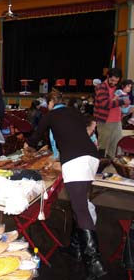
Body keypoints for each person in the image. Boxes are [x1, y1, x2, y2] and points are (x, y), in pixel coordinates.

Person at [25, 91, 106, 280]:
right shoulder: (75, 112)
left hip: (75, 161)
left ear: (52, 102)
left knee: (80, 209)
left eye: (49, 102)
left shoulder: (51, 115)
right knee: (80, 206)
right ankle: (76, 248)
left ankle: (95, 264)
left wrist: (27, 145)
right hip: (91, 158)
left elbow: (36, 136)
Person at [94, 68, 128, 158]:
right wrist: (122, 102)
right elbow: (105, 104)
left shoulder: (118, 88)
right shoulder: (101, 87)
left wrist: (126, 108)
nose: (114, 83)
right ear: (107, 76)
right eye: (112, 80)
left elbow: (119, 104)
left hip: (117, 121)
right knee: (103, 147)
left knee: (115, 146)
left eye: (116, 81)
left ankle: (111, 165)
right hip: (105, 121)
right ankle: (100, 168)